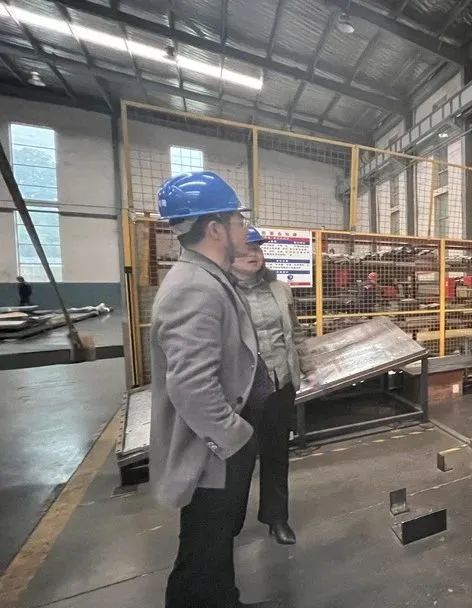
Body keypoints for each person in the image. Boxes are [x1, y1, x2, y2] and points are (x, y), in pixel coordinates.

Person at [149, 171, 279, 608]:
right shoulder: (194, 288)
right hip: (214, 450)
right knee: (204, 548)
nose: (245, 228)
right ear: (215, 228)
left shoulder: (210, 277)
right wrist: (235, 436)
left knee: (214, 542)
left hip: (220, 446)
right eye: (239, 220)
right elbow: (191, 385)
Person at [231, 226, 304, 545]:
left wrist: (305, 366)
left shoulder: (279, 289)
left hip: (279, 383)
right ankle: (228, 524)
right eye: (245, 249)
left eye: (257, 248)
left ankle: (277, 518)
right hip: (241, 391)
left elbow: (295, 331)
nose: (253, 254)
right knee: (237, 459)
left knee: (276, 454)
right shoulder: (220, 293)